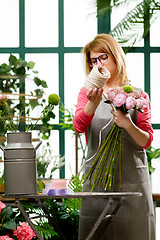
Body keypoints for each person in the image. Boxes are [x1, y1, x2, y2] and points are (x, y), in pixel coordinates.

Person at [73, 34, 156, 240]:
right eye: (93, 61)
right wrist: (92, 103)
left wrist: (127, 124)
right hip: (97, 183)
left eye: (103, 58)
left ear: (116, 56)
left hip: (133, 183)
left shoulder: (138, 96)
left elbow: (145, 141)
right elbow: (78, 127)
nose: (98, 64)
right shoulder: (88, 93)